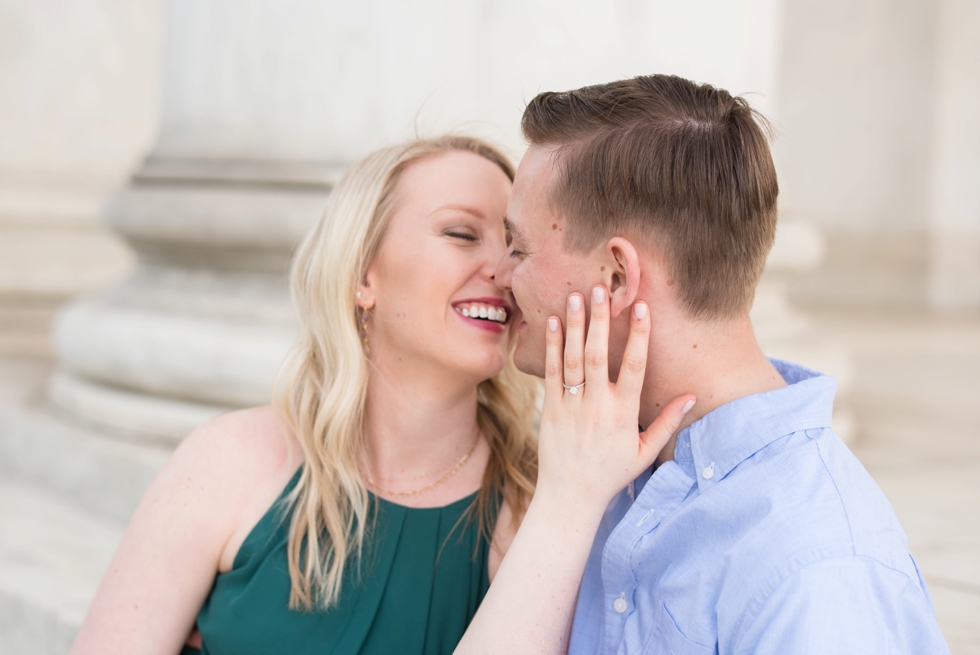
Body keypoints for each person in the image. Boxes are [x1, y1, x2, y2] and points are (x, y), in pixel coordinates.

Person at [458, 75, 951, 654]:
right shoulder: (599, 464)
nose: (500, 272)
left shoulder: (813, 570)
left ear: (615, 279)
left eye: (519, 247)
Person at [70, 135, 542, 655]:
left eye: (514, 245)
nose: (504, 271)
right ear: (364, 273)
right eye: (461, 233)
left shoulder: (534, 505)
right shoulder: (228, 464)